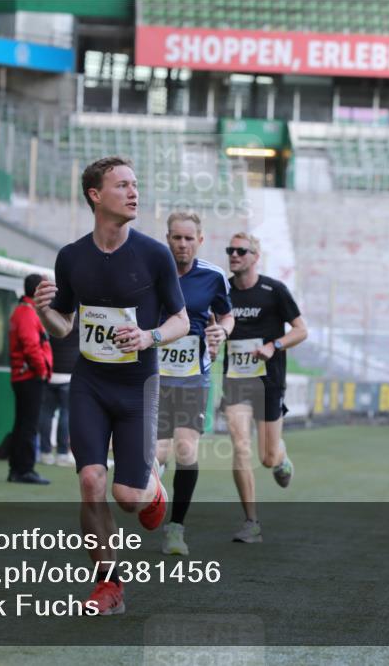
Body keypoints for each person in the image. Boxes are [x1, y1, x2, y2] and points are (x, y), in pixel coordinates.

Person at [33, 156, 188, 615]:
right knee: (89, 479)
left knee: (128, 499)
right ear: (96, 196)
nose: (134, 192)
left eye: (136, 185)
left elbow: (180, 319)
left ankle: (153, 489)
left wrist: (149, 336)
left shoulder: (154, 255)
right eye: (123, 185)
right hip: (91, 383)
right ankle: (108, 584)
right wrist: (46, 312)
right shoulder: (71, 257)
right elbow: (64, 326)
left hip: (138, 384)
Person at [155, 212, 234, 556]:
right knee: (157, 453)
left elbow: (227, 314)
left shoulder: (214, 277)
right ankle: (152, 497)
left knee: (186, 450)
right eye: (176, 238)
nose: (182, 244)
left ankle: (176, 529)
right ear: (168, 238)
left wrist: (222, 331)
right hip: (153, 376)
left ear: (200, 241)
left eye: (189, 238)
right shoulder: (151, 272)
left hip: (192, 376)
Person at [221, 232, 308, 544]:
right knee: (240, 444)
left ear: (255, 256)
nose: (234, 255)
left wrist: (274, 345)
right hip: (236, 381)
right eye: (230, 250)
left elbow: (301, 330)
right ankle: (251, 522)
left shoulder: (274, 290)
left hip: (269, 381)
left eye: (241, 251)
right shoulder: (224, 290)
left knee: (267, 458)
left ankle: (281, 455)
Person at [6, 273, 53, 485]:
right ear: (37, 291)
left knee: (23, 424)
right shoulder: (26, 313)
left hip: (24, 376)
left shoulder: (23, 310)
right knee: (28, 425)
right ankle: (24, 470)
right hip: (30, 377)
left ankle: (17, 469)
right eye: (45, 290)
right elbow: (31, 345)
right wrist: (42, 370)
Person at [38, 325, 78, 467]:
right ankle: (62, 454)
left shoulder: (50, 318)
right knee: (65, 414)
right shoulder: (77, 319)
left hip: (50, 372)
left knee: (46, 413)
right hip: (68, 374)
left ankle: (45, 453)